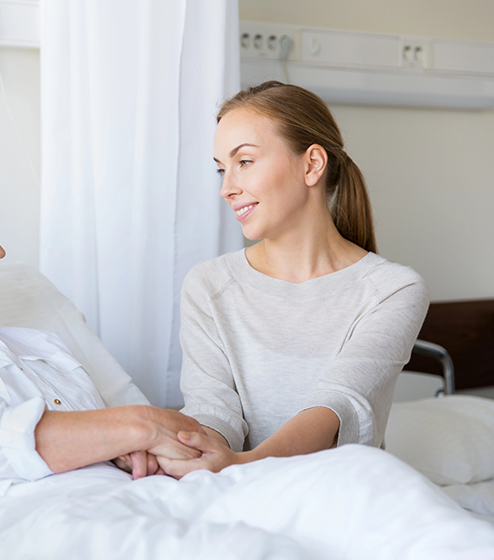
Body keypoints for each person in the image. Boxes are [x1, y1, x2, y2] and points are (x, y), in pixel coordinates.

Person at [0, 154, 493, 559]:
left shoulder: (34, 347)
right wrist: (140, 426)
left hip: (149, 496)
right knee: (252, 551)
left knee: (359, 480)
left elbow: (110, 440)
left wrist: (140, 448)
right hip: (27, 525)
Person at [163, 81, 430, 478]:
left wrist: (243, 466)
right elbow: (213, 410)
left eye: (244, 162)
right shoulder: (209, 285)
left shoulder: (393, 290)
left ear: (312, 165)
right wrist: (199, 453)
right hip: (237, 490)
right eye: (221, 168)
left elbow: (337, 406)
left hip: (341, 493)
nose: (226, 188)